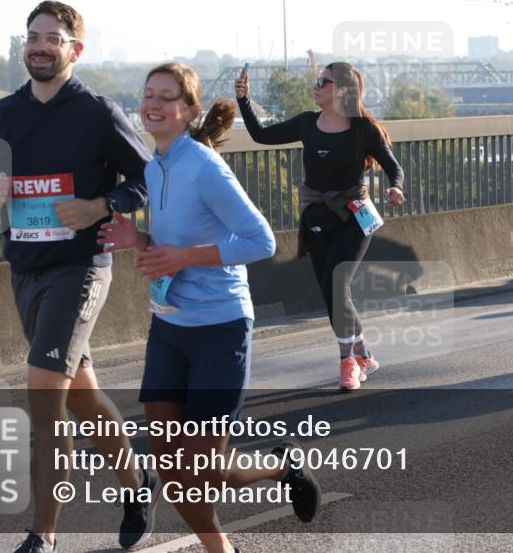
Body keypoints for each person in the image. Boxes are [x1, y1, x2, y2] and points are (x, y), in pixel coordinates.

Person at [97, 62, 318, 553]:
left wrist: (183, 256)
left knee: (207, 470)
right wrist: (140, 240)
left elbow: (260, 241)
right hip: (168, 327)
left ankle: (282, 466)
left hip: (220, 328)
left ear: (189, 109)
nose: (152, 104)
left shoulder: (204, 165)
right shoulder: (154, 167)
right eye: (148, 94)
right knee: (172, 470)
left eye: (166, 97)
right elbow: (174, 244)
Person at [0, 1, 154, 553]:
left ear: (76, 49)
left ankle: (42, 534)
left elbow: (147, 180)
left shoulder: (98, 112)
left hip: (81, 269)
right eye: (32, 36)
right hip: (25, 269)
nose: (39, 45)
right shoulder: (1, 115)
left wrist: (101, 204)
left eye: (52, 37)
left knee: (44, 394)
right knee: (81, 396)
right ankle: (135, 477)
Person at [235, 62, 405, 390]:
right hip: (316, 216)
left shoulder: (363, 129)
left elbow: (392, 167)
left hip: (354, 215)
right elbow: (261, 135)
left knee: (336, 281)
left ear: (340, 90)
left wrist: (395, 187)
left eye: (321, 81)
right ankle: (364, 354)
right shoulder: (306, 123)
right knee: (331, 294)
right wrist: (244, 99)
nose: (315, 85)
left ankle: (348, 363)